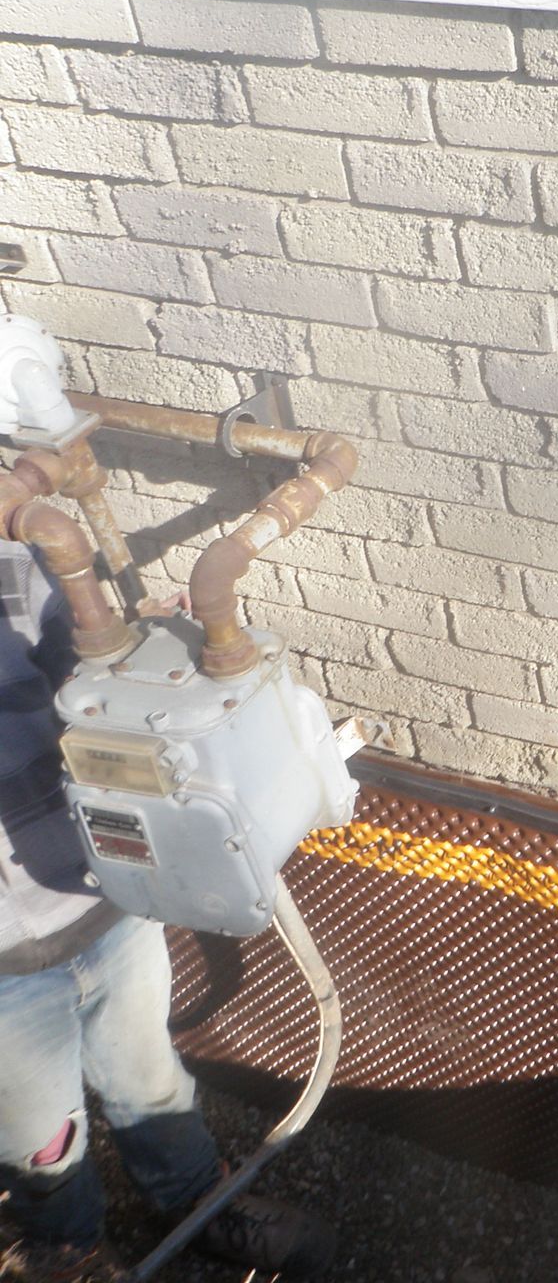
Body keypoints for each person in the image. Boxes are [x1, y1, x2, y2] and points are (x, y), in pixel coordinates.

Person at [0, 539, 336, 1281]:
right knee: (39, 1134)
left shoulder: (16, 564)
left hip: (105, 896)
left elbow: (85, 666)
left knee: (147, 1073)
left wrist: (143, 647)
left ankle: (194, 1201)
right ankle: (65, 1249)